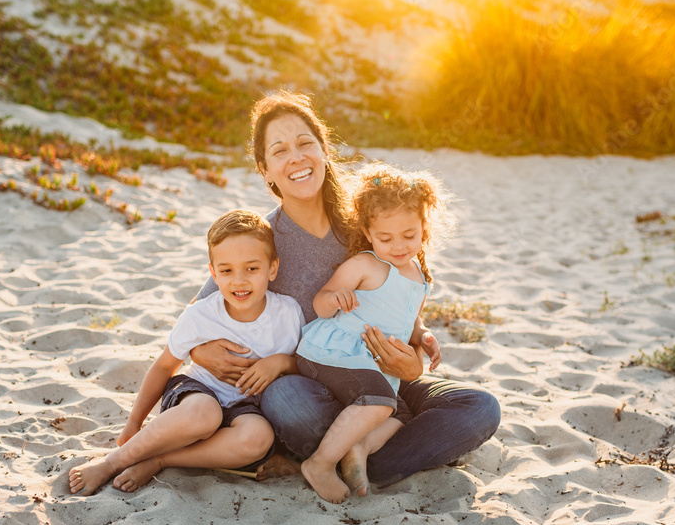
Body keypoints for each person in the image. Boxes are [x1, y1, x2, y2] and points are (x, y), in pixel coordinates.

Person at [190, 91, 501, 496]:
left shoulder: (367, 221)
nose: (297, 158)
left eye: (305, 143)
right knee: (286, 401)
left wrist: (414, 359)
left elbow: (402, 300)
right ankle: (366, 456)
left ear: (324, 150)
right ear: (266, 170)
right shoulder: (261, 238)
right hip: (312, 378)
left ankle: (348, 459)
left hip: (382, 376)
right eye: (280, 151)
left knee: (479, 408)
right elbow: (201, 314)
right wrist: (202, 351)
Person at [67, 210, 304, 496]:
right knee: (206, 414)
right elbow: (164, 366)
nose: (239, 281)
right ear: (213, 273)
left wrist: (280, 363)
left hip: (245, 407)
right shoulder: (201, 315)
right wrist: (134, 422)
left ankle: (160, 460)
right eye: (227, 270)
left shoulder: (289, 313)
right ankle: (110, 464)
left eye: (252, 269)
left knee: (258, 438)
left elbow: (303, 367)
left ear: (273, 269)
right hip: (196, 396)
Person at [295, 164, 447, 503]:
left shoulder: (420, 276)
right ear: (367, 231)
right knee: (378, 401)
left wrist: (424, 337)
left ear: (424, 227)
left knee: (399, 415)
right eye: (385, 238)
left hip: (372, 364)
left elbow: (412, 323)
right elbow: (320, 303)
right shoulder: (365, 265)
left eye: (409, 235)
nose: (398, 246)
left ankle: (357, 448)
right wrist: (335, 298)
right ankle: (319, 463)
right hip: (333, 352)